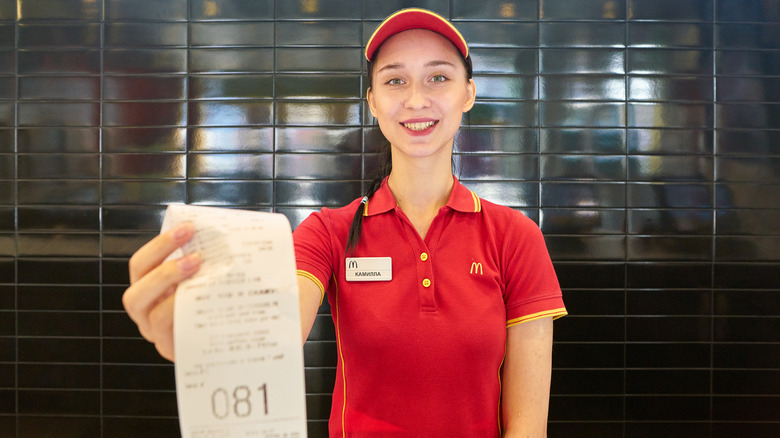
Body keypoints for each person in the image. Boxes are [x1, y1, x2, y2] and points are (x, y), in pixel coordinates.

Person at [123, 8, 567, 437]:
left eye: (438, 77)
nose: (416, 99)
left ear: (467, 93)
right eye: (395, 80)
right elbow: (273, 327)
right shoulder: (328, 232)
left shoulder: (515, 237)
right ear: (373, 101)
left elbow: (527, 425)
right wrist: (205, 337)